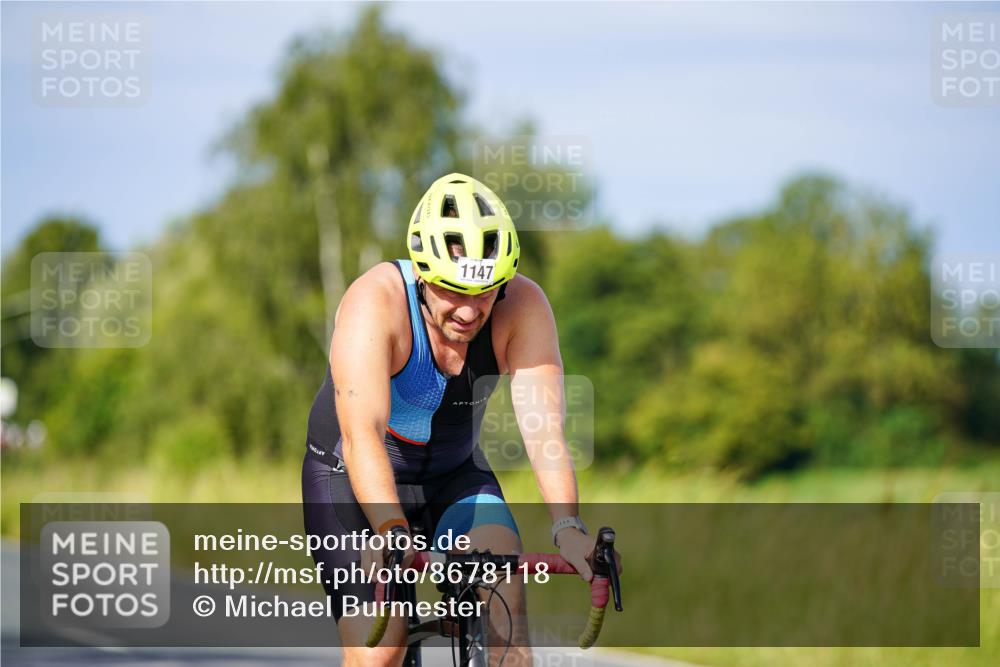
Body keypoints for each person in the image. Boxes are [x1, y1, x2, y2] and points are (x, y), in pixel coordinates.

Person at [302, 173, 594, 666]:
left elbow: (544, 430)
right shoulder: (374, 303)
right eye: (452, 289)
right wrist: (391, 530)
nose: (468, 310)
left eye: (485, 292)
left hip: (454, 476)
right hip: (352, 478)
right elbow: (363, 436)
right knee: (382, 647)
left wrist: (567, 525)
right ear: (421, 272)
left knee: (505, 597)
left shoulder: (524, 307)